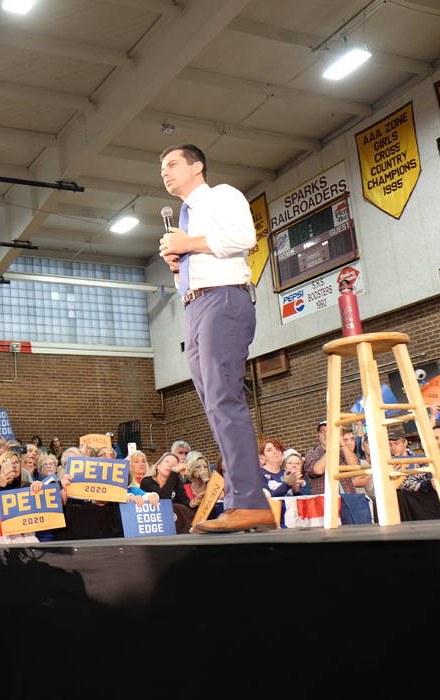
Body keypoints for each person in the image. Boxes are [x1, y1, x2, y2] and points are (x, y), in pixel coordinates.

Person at [158, 144, 267, 534]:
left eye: (172, 164)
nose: (165, 172)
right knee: (215, 407)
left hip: (223, 299)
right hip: (195, 306)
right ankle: (245, 500)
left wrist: (188, 244)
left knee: (224, 400)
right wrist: (178, 265)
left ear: (197, 166)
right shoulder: (183, 219)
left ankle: (249, 503)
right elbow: (193, 272)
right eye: (162, 168)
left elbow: (244, 236)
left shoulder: (221, 195)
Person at [302, 421, 363, 495]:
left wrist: (341, 440)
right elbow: (318, 470)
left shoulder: (344, 451)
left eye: (329, 431)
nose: (326, 434)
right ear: (319, 435)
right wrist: (332, 445)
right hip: (326, 500)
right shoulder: (312, 453)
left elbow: (354, 466)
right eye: (322, 432)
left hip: (348, 498)